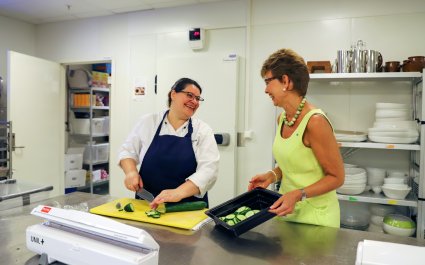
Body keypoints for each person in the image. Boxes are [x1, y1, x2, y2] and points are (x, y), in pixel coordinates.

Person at [248, 48, 344, 228]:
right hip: (286, 211)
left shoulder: (315, 122)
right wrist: (272, 175)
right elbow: (294, 164)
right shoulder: (282, 119)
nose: (265, 89)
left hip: (316, 219)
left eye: (268, 81)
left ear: (286, 81)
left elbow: (337, 177)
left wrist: (299, 194)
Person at [118, 77, 219, 209]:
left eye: (198, 98)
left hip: (187, 207)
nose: (194, 101)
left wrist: (179, 192)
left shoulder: (202, 130)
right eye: (190, 95)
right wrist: (131, 172)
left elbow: (209, 170)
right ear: (173, 94)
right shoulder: (149, 122)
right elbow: (127, 151)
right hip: (147, 205)